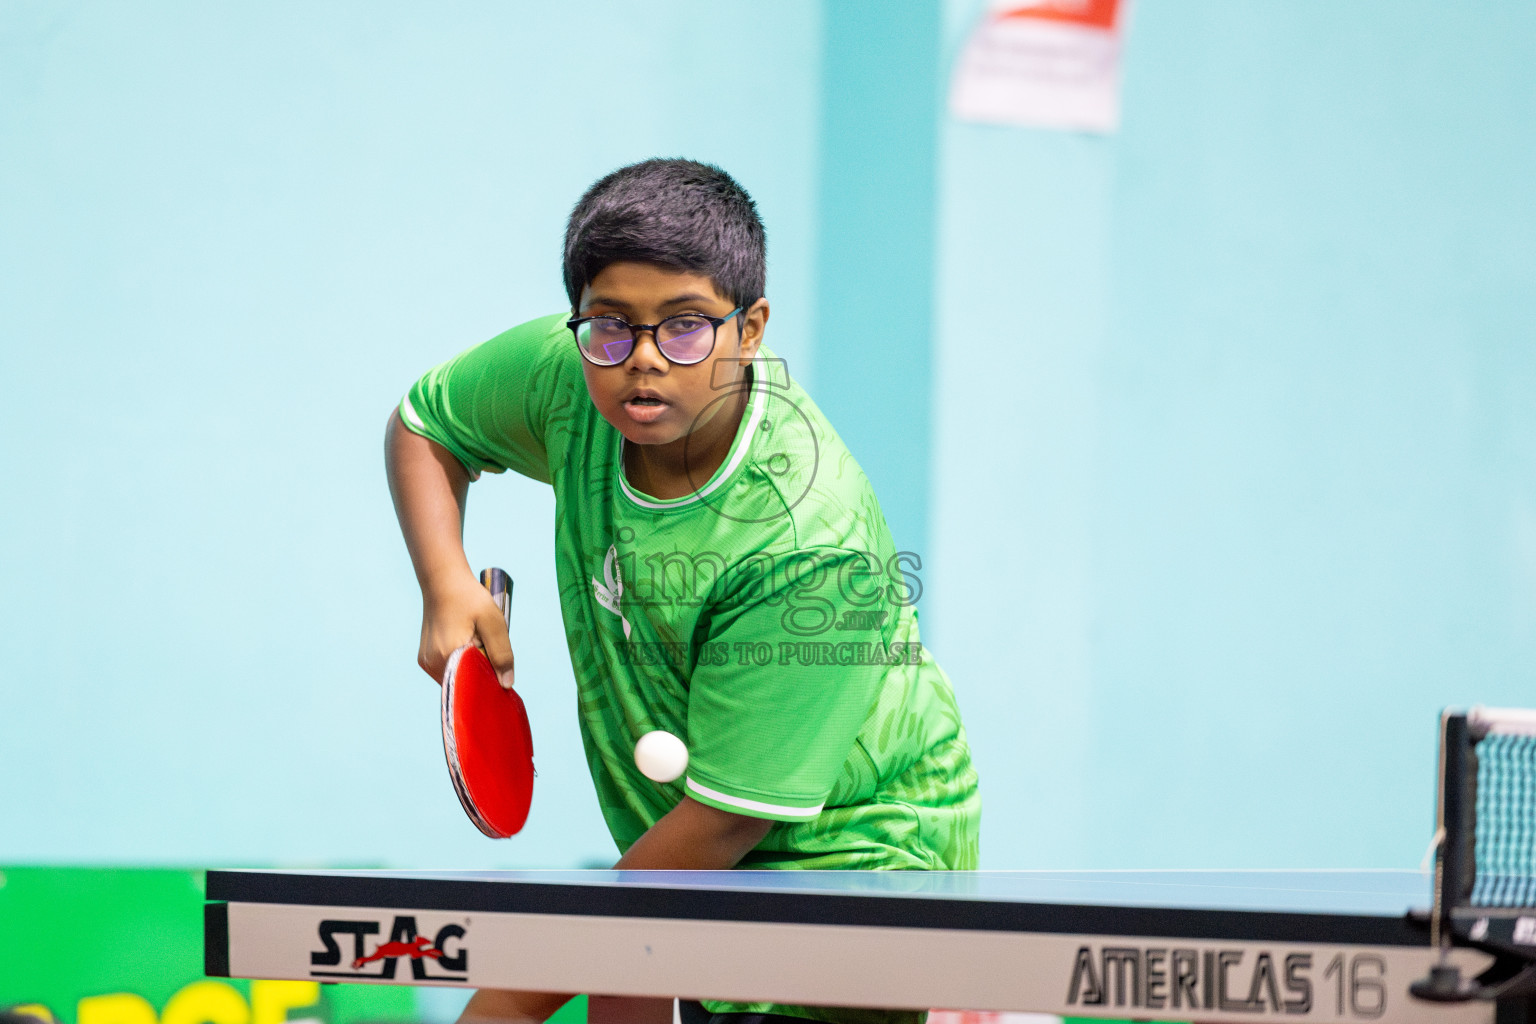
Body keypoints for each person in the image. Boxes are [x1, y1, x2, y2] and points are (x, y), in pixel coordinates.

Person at [385, 159, 979, 1024]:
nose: (644, 362)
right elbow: (426, 423)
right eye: (611, 326)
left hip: (854, 872)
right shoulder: (572, 377)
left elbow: (726, 824)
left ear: (752, 327)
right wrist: (444, 585)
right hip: (677, 855)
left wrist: (509, 1001)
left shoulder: (808, 541)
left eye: (689, 327)